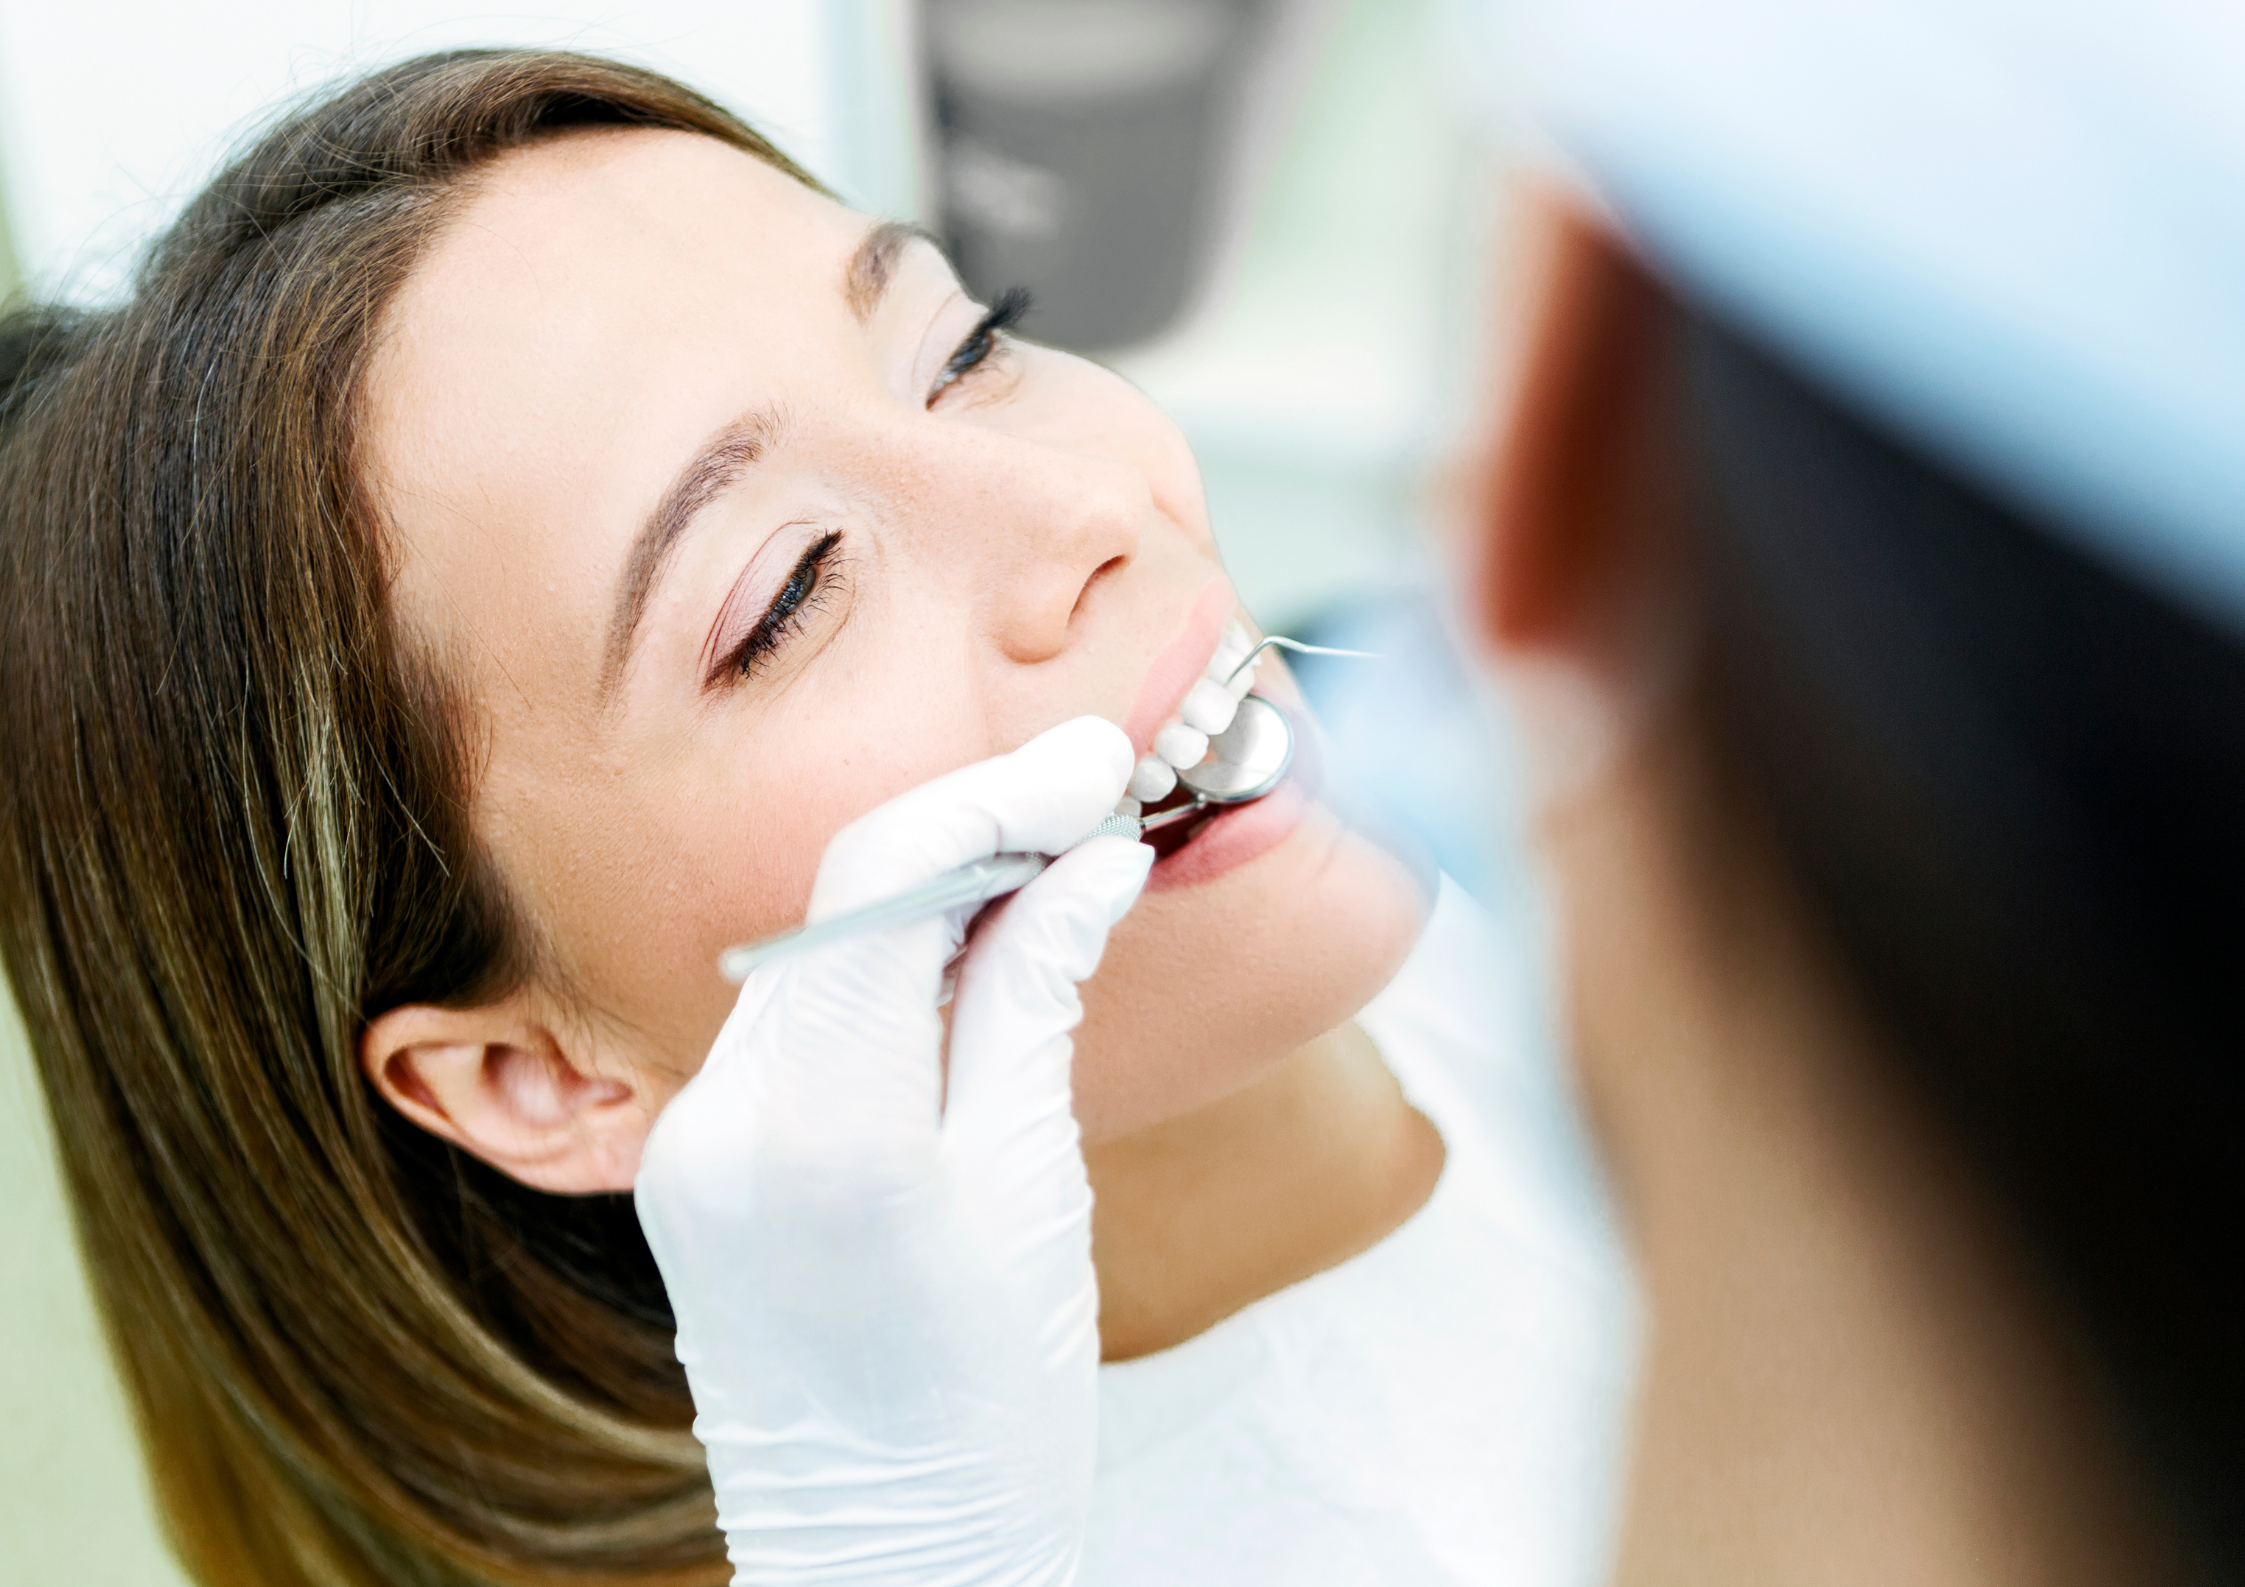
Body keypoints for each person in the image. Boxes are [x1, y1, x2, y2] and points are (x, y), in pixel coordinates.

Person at [0, 48, 1631, 1587]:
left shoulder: (1582, 784)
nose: (1082, 508)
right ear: (539, 1074)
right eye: (786, 596)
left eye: (965, 348)